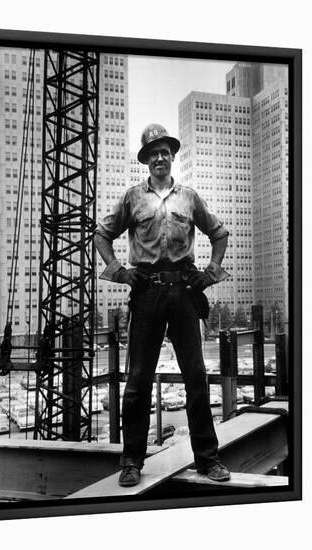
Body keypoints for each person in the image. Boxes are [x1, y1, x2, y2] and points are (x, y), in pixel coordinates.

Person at [94, 123, 231, 487]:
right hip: (147, 292)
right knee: (138, 380)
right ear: (146, 159)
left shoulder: (189, 197)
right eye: (153, 152)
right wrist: (119, 272)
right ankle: (131, 461)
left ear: (172, 156)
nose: (159, 157)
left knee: (196, 379)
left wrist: (211, 272)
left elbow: (219, 233)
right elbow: (102, 234)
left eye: (164, 151)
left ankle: (208, 459)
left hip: (185, 292)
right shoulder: (132, 198)